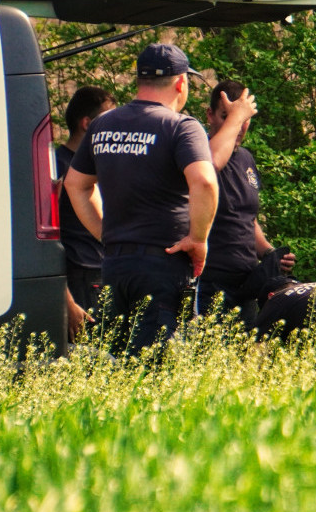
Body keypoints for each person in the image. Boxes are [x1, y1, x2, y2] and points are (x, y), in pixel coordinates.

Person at [64, 43, 218, 356]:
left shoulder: (102, 125)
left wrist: (105, 233)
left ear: (139, 81)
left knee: (117, 362)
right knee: (156, 366)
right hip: (163, 263)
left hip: (114, 266)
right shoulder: (181, 127)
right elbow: (204, 181)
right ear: (180, 83)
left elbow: (75, 184)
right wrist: (198, 239)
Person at [198, 79, 296, 328]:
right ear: (209, 115)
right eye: (227, 117)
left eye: (243, 119)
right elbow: (207, 168)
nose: (238, 127)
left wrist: (270, 253)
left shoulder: (245, 158)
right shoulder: (198, 156)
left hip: (246, 283)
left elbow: (247, 219)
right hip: (210, 281)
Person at [56, 86, 115, 340]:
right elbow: (44, 240)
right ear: (87, 124)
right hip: (81, 276)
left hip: (108, 270)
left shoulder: (104, 163)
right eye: (108, 118)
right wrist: (65, 298)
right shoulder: (57, 165)